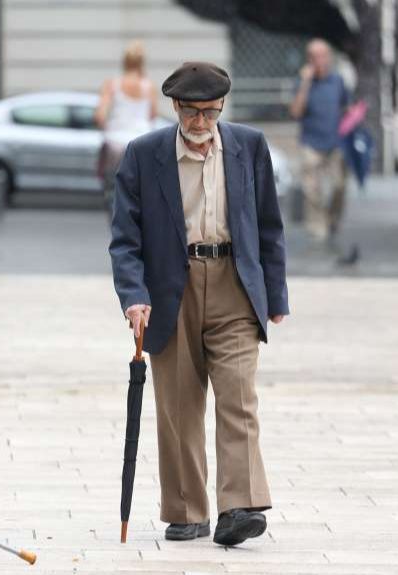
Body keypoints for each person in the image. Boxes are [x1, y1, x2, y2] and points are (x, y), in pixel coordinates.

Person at [109, 62, 289, 546]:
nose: (201, 122)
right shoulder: (144, 155)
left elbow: (269, 225)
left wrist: (275, 294)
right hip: (171, 288)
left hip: (234, 283)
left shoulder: (249, 146)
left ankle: (241, 507)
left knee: (238, 397)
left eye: (210, 112)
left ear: (222, 108)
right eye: (192, 112)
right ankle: (187, 511)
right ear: (175, 107)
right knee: (180, 406)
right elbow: (125, 240)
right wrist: (134, 297)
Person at [289, 38, 349, 242]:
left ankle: (332, 219)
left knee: (339, 185)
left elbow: (345, 108)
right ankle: (318, 227)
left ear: (329, 57)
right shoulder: (302, 83)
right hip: (310, 143)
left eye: (322, 55)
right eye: (314, 56)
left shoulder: (338, 81)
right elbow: (296, 112)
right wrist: (306, 82)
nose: (319, 60)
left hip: (335, 142)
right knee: (311, 190)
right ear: (309, 59)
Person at [95, 40, 158, 200]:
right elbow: (152, 115)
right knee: (141, 186)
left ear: (124, 61)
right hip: (141, 140)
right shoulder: (149, 87)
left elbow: (100, 115)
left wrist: (106, 127)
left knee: (113, 186)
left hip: (116, 141)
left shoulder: (112, 85)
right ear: (142, 62)